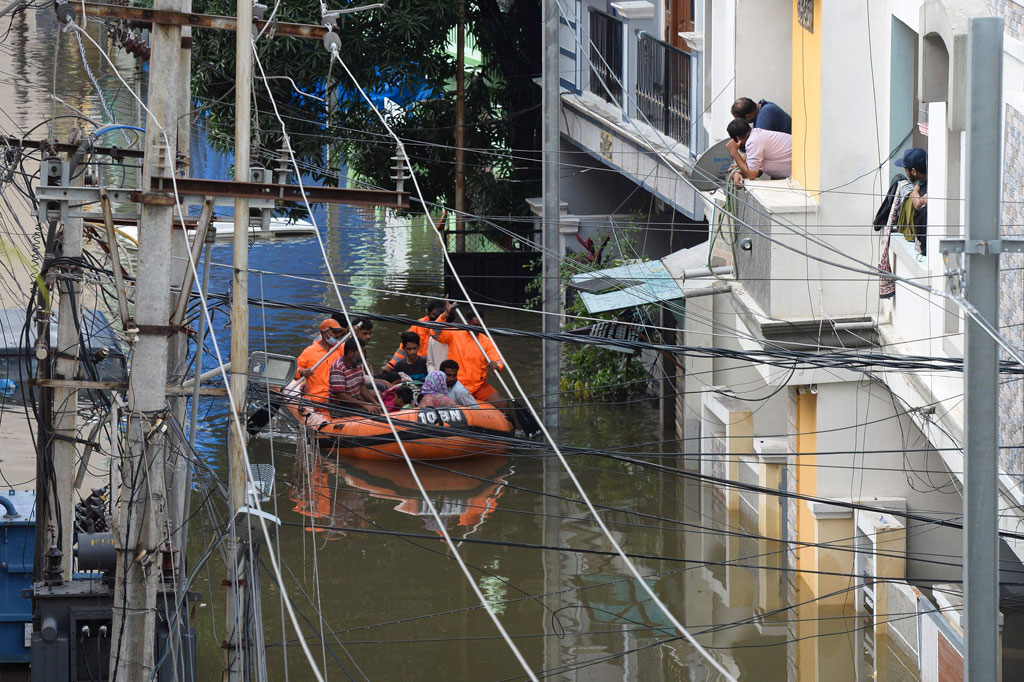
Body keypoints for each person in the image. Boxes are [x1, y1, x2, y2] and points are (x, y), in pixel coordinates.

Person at [431, 301, 504, 405]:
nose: (478, 328)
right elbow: (434, 333)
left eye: (480, 325)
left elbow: (498, 360)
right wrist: (445, 314)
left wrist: (496, 366)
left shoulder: (485, 340)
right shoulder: (454, 333)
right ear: (467, 322)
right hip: (457, 383)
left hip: (479, 386)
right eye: (475, 325)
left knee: (502, 403)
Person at [383, 299, 448, 372]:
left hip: (438, 366)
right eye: (434, 314)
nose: (436, 317)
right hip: (418, 365)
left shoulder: (448, 328)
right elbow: (404, 348)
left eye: (439, 315)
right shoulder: (418, 326)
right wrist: (391, 365)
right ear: (428, 313)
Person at [295, 318, 347, 404]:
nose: (337, 336)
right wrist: (301, 371)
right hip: (317, 397)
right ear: (324, 333)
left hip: (337, 396)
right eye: (334, 332)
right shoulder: (309, 351)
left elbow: (354, 348)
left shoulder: (340, 348)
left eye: (339, 333)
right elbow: (294, 370)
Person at [725, 118, 792, 184]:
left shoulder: (753, 142)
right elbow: (757, 171)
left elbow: (752, 175)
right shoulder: (756, 134)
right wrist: (739, 170)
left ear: (737, 139)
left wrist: (734, 153)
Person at [328, 339, 382, 414]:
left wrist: (376, 403)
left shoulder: (358, 363)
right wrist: (364, 404)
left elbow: (362, 386)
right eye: (360, 352)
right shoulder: (338, 367)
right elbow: (341, 395)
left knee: (377, 402)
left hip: (355, 399)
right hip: (341, 406)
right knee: (372, 414)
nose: (363, 355)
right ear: (350, 353)